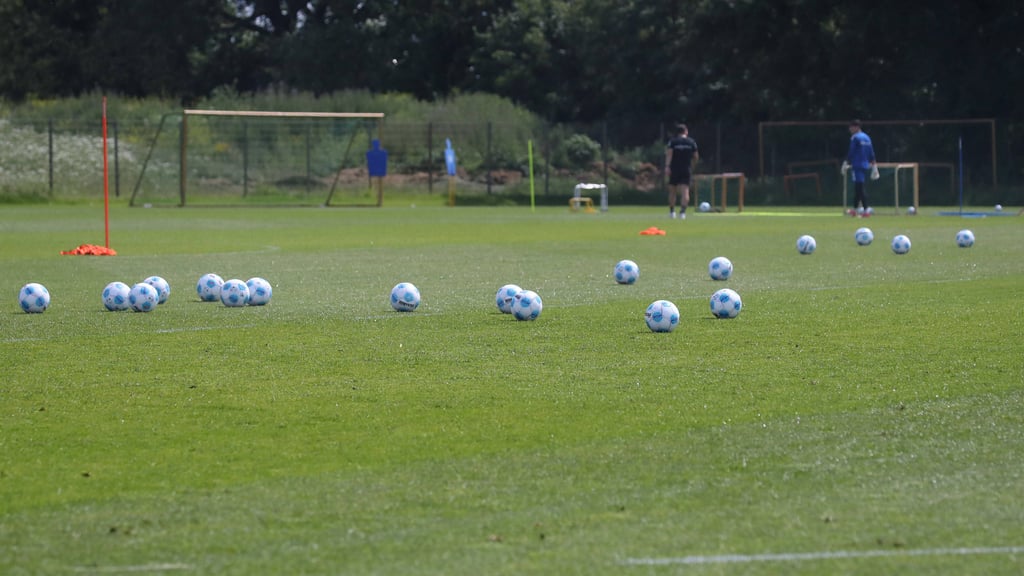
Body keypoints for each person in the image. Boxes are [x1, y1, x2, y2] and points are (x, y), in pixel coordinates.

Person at [665, 123, 699, 219]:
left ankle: (672, 212)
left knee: (672, 191)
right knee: (685, 191)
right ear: (686, 131)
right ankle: (682, 213)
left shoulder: (673, 142)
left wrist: (667, 166)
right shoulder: (691, 142)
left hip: (674, 169)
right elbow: (696, 156)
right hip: (686, 168)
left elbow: (669, 154)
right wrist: (692, 166)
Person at [844, 119, 876, 215]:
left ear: (857, 127)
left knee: (860, 188)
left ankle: (866, 210)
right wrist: (874, 165)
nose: (850, 129)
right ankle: (855, 209)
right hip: (865, 165)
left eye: (851, 127)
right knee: (858, 187)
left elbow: (851, 151)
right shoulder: (867, 137)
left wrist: (846, 162)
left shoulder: (855, 137)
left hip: (857, 165)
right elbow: (871, 153)